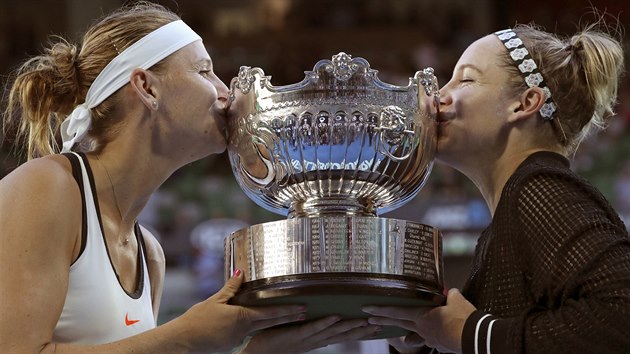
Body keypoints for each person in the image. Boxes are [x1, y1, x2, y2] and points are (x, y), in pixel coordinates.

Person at [0, 2, 380, 352]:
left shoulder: (150, 254)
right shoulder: (46, 187)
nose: (224, 92)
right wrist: (186, 336)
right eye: (204, 71)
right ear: (146, 87)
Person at [362, 18, 630, 354]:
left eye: (466, 79)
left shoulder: (539, 188)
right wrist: (421, 341)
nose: (440, 97)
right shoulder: (515, 207)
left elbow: (621, 317)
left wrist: (472, 334)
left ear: (524, 103)